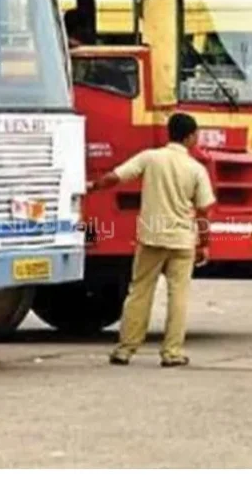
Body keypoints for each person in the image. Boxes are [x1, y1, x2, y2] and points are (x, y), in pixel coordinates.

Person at [86, 112, 215, 367]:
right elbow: (203, 211)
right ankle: (172, 352)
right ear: (190, 137)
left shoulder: (150, 158)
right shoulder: (196, 169)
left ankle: (125, 349)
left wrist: (93, 186)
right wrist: (204, 243)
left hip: (151, 237)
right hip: (181, 241)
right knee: (178, 296)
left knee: (139, 292)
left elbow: (115, 177)